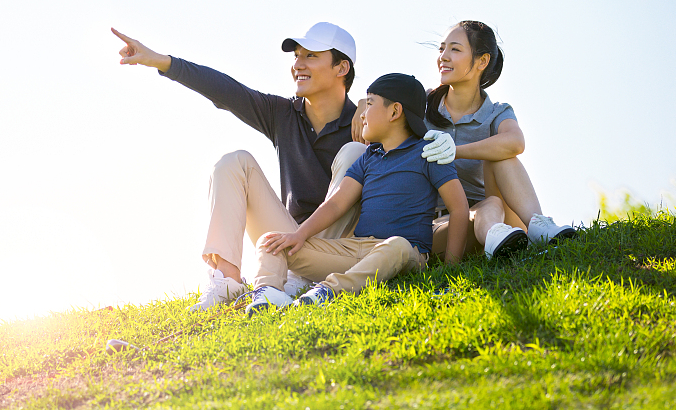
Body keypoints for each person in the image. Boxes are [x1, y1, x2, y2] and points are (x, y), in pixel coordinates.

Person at [112, 23, 457, 309]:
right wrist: (160, 61)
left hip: (350, 244)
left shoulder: (368, 123)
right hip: (297, 235)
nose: (298, 64)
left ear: (342, 68)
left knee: (353, 152)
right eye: (297, 57)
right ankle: (229, 282)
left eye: (311, 56)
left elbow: (408, 135)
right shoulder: (281, 115)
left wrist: (439, 138)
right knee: (234, 163)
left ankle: (298, 281)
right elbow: (226, 90)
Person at [246, 73, 469, 314]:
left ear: (395, 112)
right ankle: (267, 294)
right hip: (355, 250)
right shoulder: (367, 158)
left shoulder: (427, 153)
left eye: (370, 103)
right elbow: (335, 205)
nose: (362, 114)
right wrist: (299, 235)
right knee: (270, 241)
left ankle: (327, 292)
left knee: (397, 245)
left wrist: (450, 270)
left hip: (404, 254)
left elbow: (459, 208)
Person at [423, 20, 575, 259]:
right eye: (441, 48)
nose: (443, 56)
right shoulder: (422, 103)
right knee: (490, 204)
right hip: (437, 223)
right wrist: (361, 106)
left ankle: (539, 228)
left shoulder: (496, 112)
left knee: (500, 162)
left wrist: (455, 151)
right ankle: (499, 241)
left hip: (496, 218)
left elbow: (516, 142)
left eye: (454, 49)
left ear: (482, 61)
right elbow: (383, 108)